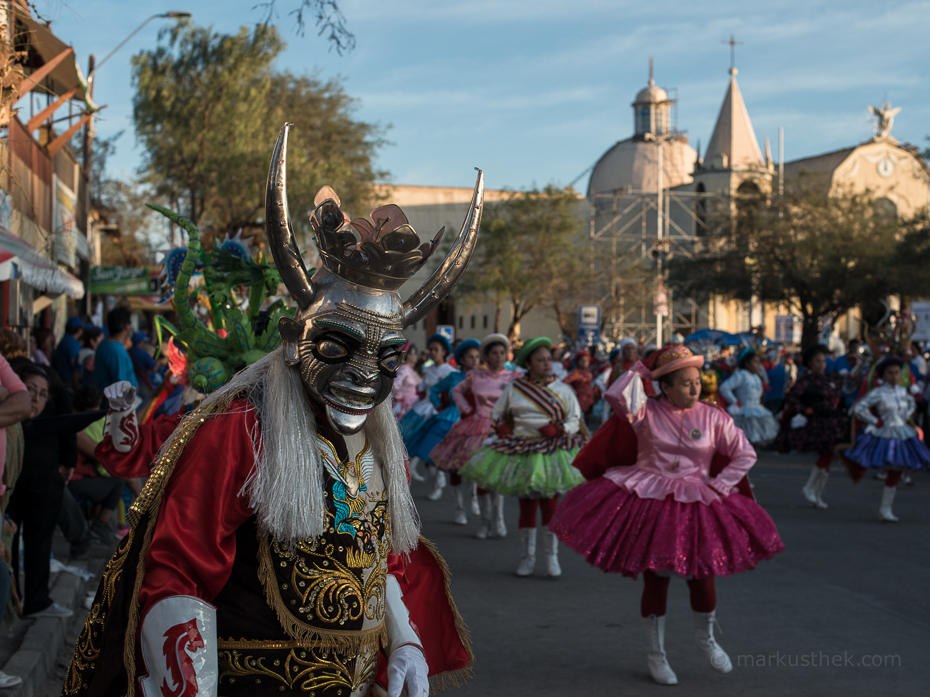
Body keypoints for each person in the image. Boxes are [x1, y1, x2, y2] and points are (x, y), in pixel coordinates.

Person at [64, 143, 479, 696]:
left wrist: (404, 641)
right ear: (293, 341)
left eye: (384, 359)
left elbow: (381, 555)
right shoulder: (240, 426)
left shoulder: (380, 442)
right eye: (337, 348)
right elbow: (179, 569)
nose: (362, 379)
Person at [550, 346, 784, 685]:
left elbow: (744, 455)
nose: (695, 388)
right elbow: (616, 394)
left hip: (698, 500)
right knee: (656, 578)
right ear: (666, 387)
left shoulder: (714, 416)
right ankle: (655, 654)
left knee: (702, 575)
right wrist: (642, 368)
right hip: (648, 497)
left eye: (697, 381)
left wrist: (721, 484)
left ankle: (706, 639)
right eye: (685, 383)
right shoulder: (644, 411)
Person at [460, 337, 586, 578]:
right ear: (529, 362)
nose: (547, 364)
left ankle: (551, 558)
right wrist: (501, 427)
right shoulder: (515, 388)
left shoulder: (563, 389)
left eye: (549, 359)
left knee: (550, 506)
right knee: (527, 507)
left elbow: (575, 420)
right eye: (540, 360)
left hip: (551, 450)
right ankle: (527, 558)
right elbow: (498, 413)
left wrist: (560, 429)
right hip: (522, 449)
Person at [7, 363, 75, 618]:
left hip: (44, 488)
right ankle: (10, 604)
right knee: (8, 543)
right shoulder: (8, 426)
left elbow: (68, 431)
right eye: (30, 390)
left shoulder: (49, 427)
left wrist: (68, 462)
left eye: (43, 394)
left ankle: (36, 601)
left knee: (38, 544)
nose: (35, 398)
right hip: (10, 491)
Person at [431, 334, 517, 533]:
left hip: (502, 429)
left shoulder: (513, 377)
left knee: (497, 476)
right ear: (486, 356)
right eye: (494, 353)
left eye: (502, 353)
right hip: (477, 428)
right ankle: (484, 521)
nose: (498, 357)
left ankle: (499, 518)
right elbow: (457, 392)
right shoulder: (476, 376)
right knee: (479, 474)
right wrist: (467, 409)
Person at [842, 356, 930, 521]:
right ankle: (885, 509)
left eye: (897, 372)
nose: (894, 376)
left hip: (902, 432)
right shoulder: (878, 393)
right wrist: (876, 421)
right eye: (890, 373)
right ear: (882, 375)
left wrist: (907, 415)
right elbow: (860, 407)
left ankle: (886, 508)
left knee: (896, 470)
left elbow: (911, 403)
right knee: (893, 468)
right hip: (886, 433)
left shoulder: (903, 391)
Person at [775, 344, 849, 509]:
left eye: (823, 361)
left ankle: (817, 492)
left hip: (830, 420)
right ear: (809, 363)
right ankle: (810, 488)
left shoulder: (828, 378)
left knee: (829, 455)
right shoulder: (805, 381)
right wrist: (804, 410)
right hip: (816, 421)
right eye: (817, 361)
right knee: (826, 454)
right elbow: (791, 397)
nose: (821, 364)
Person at [410, 339, 479, 502]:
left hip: (474, 421)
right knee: (437, 452)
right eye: (471, 357)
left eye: (477, 356)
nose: (475, 360)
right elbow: (433, 390)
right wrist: (440, 407)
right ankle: (444, 491)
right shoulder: (453, 376)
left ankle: (475, 497)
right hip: (448, 417)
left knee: (472, 460)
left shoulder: (483, 377)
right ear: (462, 359)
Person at [69, 386, 127, 543]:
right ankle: (101, 525)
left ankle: (107, 524)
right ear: (99, 402)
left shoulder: (75, 420)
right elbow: (100, 455)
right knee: (117, 482)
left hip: (80, 476)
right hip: (72, 480)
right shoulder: (82, 425)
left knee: (113, 478)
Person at [399, 333, 457, 485]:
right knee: (409, 444)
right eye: (430, 349)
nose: (432, 352)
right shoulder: (427, 369)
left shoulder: (452, 372)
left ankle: (439, 482)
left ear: (444, 351)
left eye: (436, 349)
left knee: (433, 449)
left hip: (440, 413)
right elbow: (423, 390)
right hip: (421, 410)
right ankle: (407, 480)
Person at [718, 348, 779, 445]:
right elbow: (724, 387)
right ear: (747, 364)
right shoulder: (741, 375)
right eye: (755, 362)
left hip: (756, 410)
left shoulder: (756, 377)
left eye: (759, 362)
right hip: (744, 411)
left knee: (754, 437)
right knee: (743, 438)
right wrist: (734, 401)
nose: (758, 365)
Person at [95, 307, 137, 392]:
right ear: (126, 326)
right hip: (116, 403)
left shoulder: (105, 344)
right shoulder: (116, 351)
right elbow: (121, 387)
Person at [51, 317, 84, 392]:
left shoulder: (66, 340)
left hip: (62, 382)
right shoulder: (71, 342)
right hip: (68, 384)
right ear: (79, 330)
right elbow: (74, 363)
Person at [563, 351, 598, 416]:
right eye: (582, 360)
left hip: (589, 400)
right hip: (578, 401)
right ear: (578, 362)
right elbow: (564, 383)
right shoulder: (575, 373)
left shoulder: (589, 372)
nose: (584, 362)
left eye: (586, 360)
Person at [392, 343, 419, 418]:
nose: (416, 356)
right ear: (409, 355)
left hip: (411, 405)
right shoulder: (404, 369)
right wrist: (399, 398)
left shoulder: (409, 369)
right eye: (415, 353)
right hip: (404, 408)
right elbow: (395, 385)